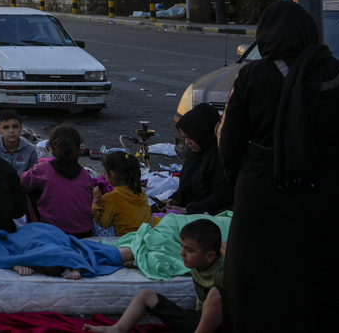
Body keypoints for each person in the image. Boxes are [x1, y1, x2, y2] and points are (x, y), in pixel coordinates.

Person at [217, 1, 339, 333]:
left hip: (261, 199)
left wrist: (243, 181)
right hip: (330, 199)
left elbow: (228, 141)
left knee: (262, 290)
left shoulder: (250, 77)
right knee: (329, 290)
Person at [83, 218, 223, 333]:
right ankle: (117, 329)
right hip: (196, 318)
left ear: (210, 256)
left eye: (189, 250)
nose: (181, 253)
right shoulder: (196, 262)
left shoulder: (222, 273)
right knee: (145, 294)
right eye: (182, 247)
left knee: (215, 294)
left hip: (217, 325)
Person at [19, 125, 95, 238]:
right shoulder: (86, 174)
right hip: (85, 231)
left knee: (28, 190)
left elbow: (20, 182)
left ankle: (34, 229)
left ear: (52, 147)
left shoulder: (43, 169)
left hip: (54, 233)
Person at [163, 103, 232, 215]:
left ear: (203, 133)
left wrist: (187, 210)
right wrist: (174, 200)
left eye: (191, 137)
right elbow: (187, 187)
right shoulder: (194, 155)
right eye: (185, 137)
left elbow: (221, 198)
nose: (187, 142)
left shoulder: (221, 158)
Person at [92, 151, 151, 237]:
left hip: (123, 239)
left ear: (112, 175)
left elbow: (103, 223)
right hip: (144, 236)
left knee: (91, 220)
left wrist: (95, 204)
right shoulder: (140, 191)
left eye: (105, 173)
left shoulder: (111, 198)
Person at [0, 109, 38, 175]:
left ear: (20, 128)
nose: (11, 131)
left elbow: (34, 177)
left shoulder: (30, 150)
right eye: (6, 127)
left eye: (15, 127)